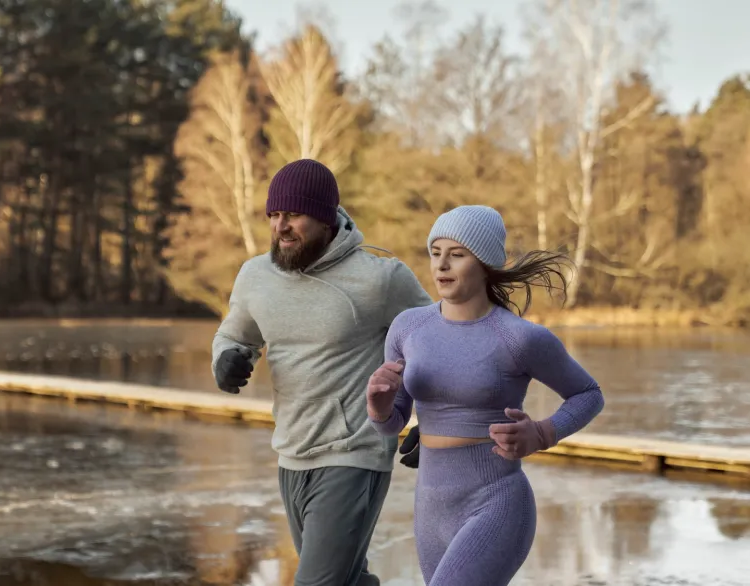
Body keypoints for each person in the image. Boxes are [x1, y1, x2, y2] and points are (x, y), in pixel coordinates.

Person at [212, 158, 434, 585]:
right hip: (291, 452)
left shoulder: (380, 279)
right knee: (346, 580)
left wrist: (440, 416)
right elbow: (234, 335)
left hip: (355, 452)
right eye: (274, 215)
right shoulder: (255, 276)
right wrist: (226, 361)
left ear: (327, 217)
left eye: (293, 214)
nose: (281, 226)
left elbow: (441, 345)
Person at [366, 205, 605, 586]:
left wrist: (542, 433)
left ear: (484, 263)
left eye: (457, 255)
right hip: (431, 506)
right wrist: (378, 407)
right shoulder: (408, 328)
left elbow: (588, 394)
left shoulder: (519, 337)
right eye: (435, 252)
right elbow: (392, 421)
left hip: (497, 501)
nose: (441, 265)